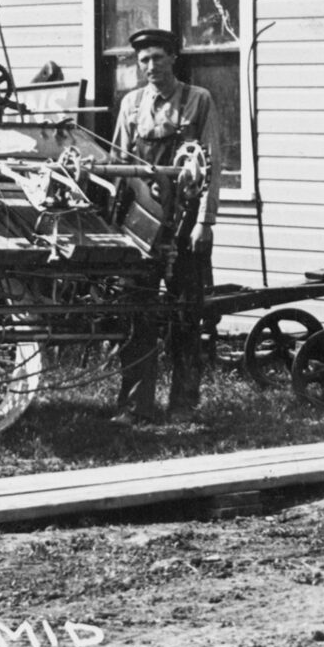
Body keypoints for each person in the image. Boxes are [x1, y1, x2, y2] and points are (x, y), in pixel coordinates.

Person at [110, 28, 221, 420]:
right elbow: (119, 164)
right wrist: (116, 224)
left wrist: (205, 222)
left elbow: (211, 165)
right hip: (141, 226)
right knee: (136, 312)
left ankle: (183, 405)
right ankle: (134, 405)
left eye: (158, 57)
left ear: (173, 58)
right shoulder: (131, 104)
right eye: (143, 60)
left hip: (186, 223)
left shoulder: (198, 100)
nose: (150, 66)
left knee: (186, 314)